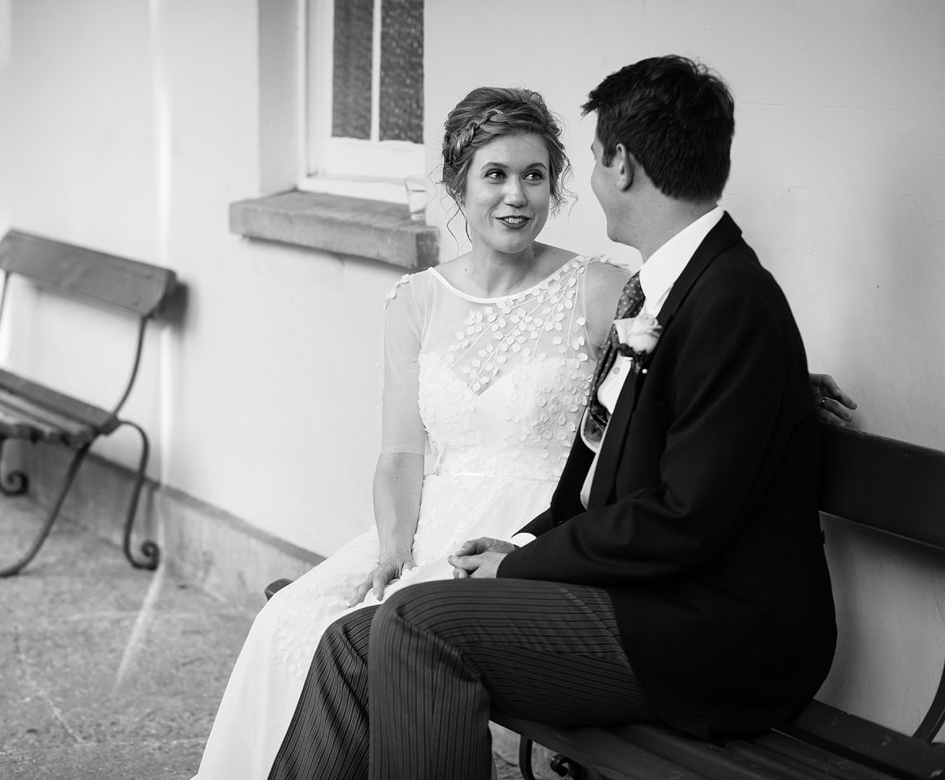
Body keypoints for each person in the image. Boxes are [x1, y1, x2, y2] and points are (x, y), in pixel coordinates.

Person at [266, 55, 841, 780]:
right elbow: (615, 467)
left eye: (592, 159)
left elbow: (682, 517)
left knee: (416, 625)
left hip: (715, 636)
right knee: (356, 641)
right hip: (651, 601)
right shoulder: (676, 291)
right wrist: (519, 542)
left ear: (621, 163)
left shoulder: (728, 302)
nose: (582, 182)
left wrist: (523, 564)